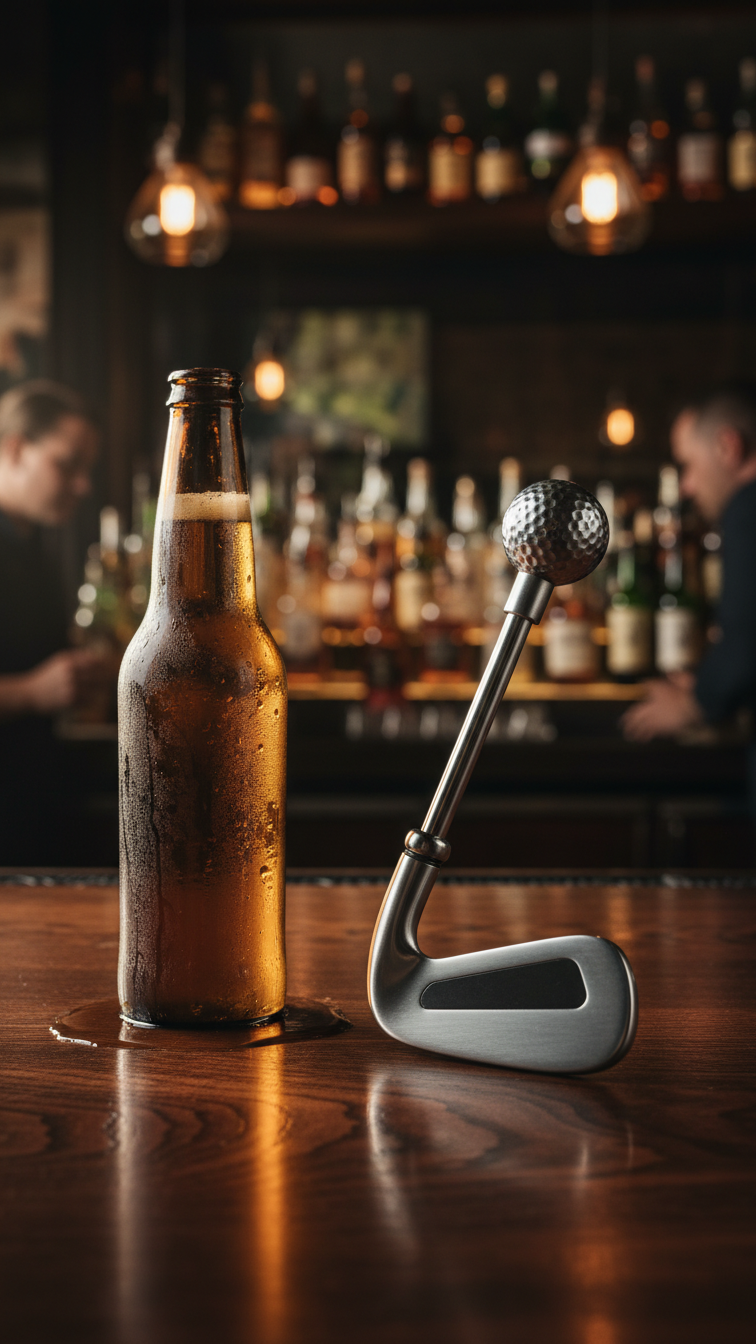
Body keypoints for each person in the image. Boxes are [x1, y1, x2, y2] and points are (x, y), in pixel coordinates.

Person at [0, 380, 105, 863]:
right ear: (15, 447)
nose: (82, 486)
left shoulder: (32, 547)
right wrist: (31, 692)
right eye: (66, 466)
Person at [623, 383, 756, 754]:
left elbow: (748, 638)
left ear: (728, 447)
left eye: (689, 465)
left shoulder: (747, 508)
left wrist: (694, 703)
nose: (687, 486)